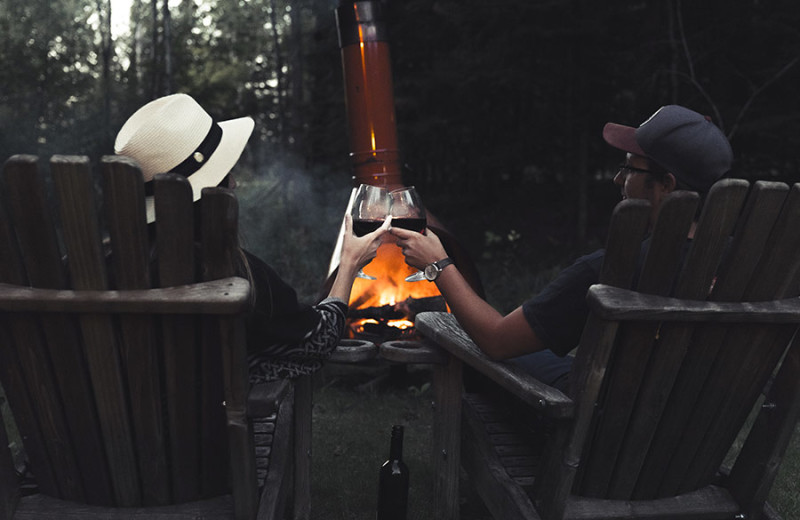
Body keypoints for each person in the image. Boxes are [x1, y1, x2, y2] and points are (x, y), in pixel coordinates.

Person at [391, 105, 733, 393]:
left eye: (628, 168)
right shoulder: (742, 263)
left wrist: (438, 263)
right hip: (688, 434)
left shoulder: (611, 271)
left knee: (472, 350)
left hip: (602, 434)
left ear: (666, 185)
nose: (617, 180)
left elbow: (496, 340)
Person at [114, 93, 389, 383]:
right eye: (226, 173)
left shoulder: (98, 271)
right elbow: (319, 340)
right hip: (207, 426)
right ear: (212, 191)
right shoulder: (233, 273)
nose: (235, 182)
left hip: (108, 425)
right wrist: (349, 263)